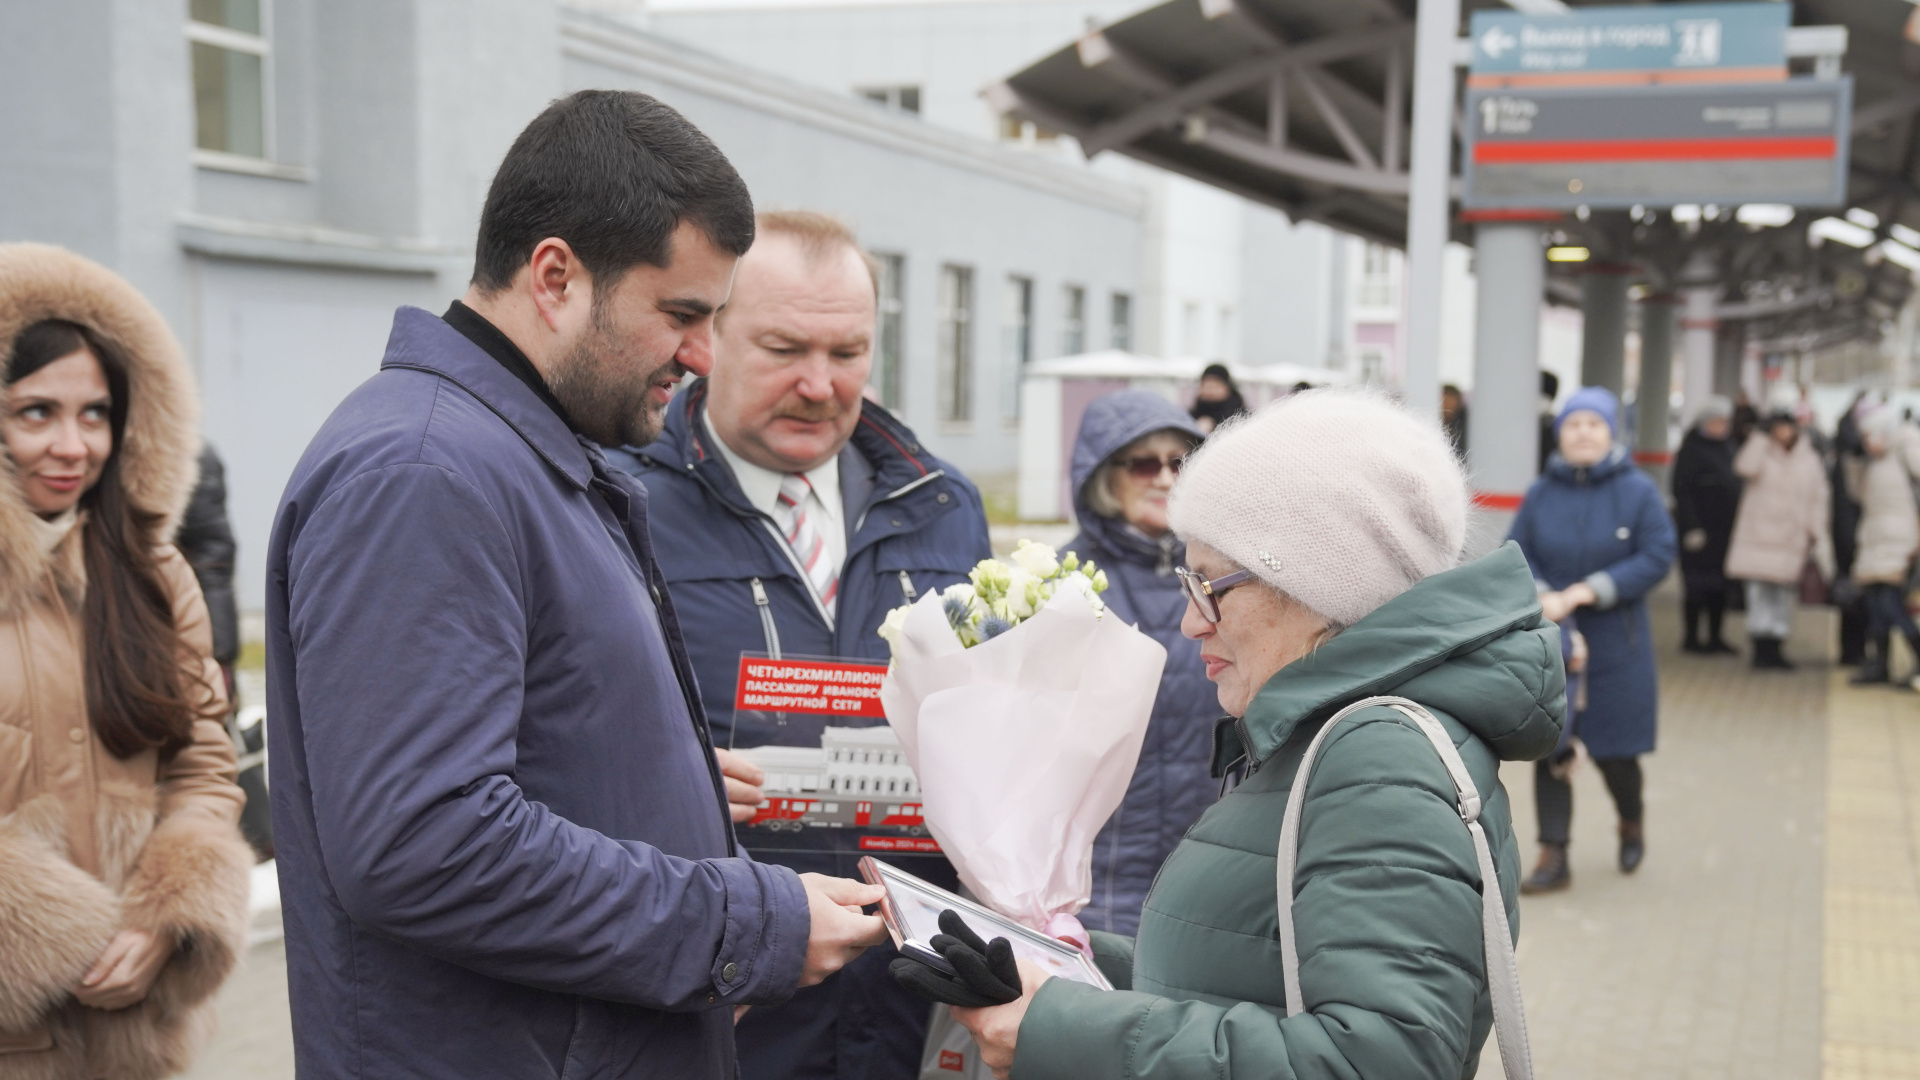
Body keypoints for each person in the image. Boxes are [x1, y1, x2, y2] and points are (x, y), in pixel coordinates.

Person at [265, 91, 885, 1080]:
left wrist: (655, 776)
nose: (699, 356)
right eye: (681, 315)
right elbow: (426, 845)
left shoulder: (517, 455)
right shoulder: (424, 472)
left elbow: (522, 748)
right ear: (554, 275)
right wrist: (750, 921)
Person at [945, 388, 1563, 1080]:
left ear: (1318, 586)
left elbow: (1377, 1062)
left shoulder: (1380, 761)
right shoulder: (1329, 736)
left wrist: (1065, 1030)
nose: (1189, 621)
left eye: (1210, 585)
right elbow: (1254, 975)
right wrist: (1068, 964)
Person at [609, 210, 991, 1080]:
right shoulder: (615, 500)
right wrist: (671, 771)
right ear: (708, 338)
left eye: (847, 352)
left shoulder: (943, 503)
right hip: (716, 1004)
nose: (820, 385)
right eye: (784, 349)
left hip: (901, 1006)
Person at [0, 244, 251, 1079]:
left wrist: (163, 921)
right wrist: (50, 932)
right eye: (35, 412)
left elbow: (203, 768)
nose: (73, 445)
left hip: (132, 1042)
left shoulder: (150, 572)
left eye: (96, 413)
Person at [1507, 387, 1676, 893]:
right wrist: (1543, 594)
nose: (1583, 433)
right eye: (1574, 424)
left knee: (1616, 751)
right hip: (1554, 641)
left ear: (1610, 433)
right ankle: (1553, 855)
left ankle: (1630, 818)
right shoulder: (1542, 491)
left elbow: (1657, 553)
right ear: (1560, 433)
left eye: (1594, 425)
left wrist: (1589, 591)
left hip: (1617, 646)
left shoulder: (1638, 492)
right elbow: (1516, 550)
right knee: (1551, 743)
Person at [1058, 391, 1211, 936]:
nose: (1166, 479)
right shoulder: (1060, 586)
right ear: (1104, 475)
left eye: (1181, 462)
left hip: (1206, 885)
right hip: (1095, 892)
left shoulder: (1225, 581)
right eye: (1145, 463)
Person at [176, 442, 270, 857]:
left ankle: (249, 838)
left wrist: (219, 653)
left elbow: (214, 559)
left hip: (193, 632)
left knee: (214, 743)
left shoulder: (193, 458)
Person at [1726, 410, 1834, 670]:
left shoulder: (1809, 460)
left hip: (1791, 539)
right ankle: (1760, 649)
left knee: (1783, 598)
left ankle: (1776, 648)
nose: (1783, 433)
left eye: (1787, 428)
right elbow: (1743, 467)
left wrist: (1816, 533)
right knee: (1759, 596)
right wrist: (1759, 438)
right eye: (1777, 428)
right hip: (1758, 538)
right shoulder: (1761, 453)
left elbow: (1817, 499)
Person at [1848, 408, 1920, 687]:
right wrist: (1854, 459)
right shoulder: (1873, 464)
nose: (1868, 442)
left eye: (1871, 436)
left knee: (1892, 605)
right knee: (1876, 606)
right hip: (1873, 541)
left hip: (1902, 543)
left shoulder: (1906, 455)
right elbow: (1858, 495)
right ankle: (1879, 665)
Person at [1672, 396, 1740, 654]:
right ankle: (1691, 638)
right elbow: (1682, 490)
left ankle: (1716, 637)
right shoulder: (1691, 449)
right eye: (1717, 421)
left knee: (1720, 588)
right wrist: (1691, 527)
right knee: (1696, 587)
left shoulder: (1729, 447)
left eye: (1725, 422)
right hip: (1698, 531)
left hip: (1724, 531)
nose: (1721, 426)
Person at [1188, 362, 1245, 434]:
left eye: (1215, 386)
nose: (1210, 391)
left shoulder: (1240, 419)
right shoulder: (1191, 417)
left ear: (1227, 387)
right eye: (1207, 386)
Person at [1441, 382, 1468, 458]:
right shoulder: (1435, 423)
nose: (1446, 403)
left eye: (1450, 398)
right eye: (1443, 398)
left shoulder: (1467, 427)